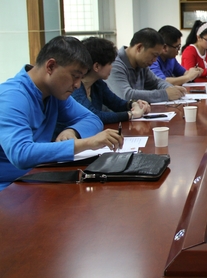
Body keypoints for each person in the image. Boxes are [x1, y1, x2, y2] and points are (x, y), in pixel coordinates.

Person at [0, 36, 123, 191]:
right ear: (51, 66)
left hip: (38, 177)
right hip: (9, 188)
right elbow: (21, 154)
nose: (77, 85)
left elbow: (92, 119)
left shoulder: (53, 93)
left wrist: (73, 131)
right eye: (75, 76)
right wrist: (87, 143)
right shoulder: (12, 97)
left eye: (81, 78)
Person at [71, 37, 151, 124]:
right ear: (96, 66)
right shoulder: (75, 88)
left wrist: (133, 104)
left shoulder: (98, 84)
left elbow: (117, 104)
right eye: (110, 64)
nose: (112, 67)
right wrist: (131, 114)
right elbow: (94, 116)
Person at [106, 28, 187, 103]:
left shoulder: (141, 64)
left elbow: (156, 82)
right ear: (139, 48)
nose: (155, 60)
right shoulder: (113, 63)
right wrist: (165, 94)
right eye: (154, 55)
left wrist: (171, 89)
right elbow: (125, 96)